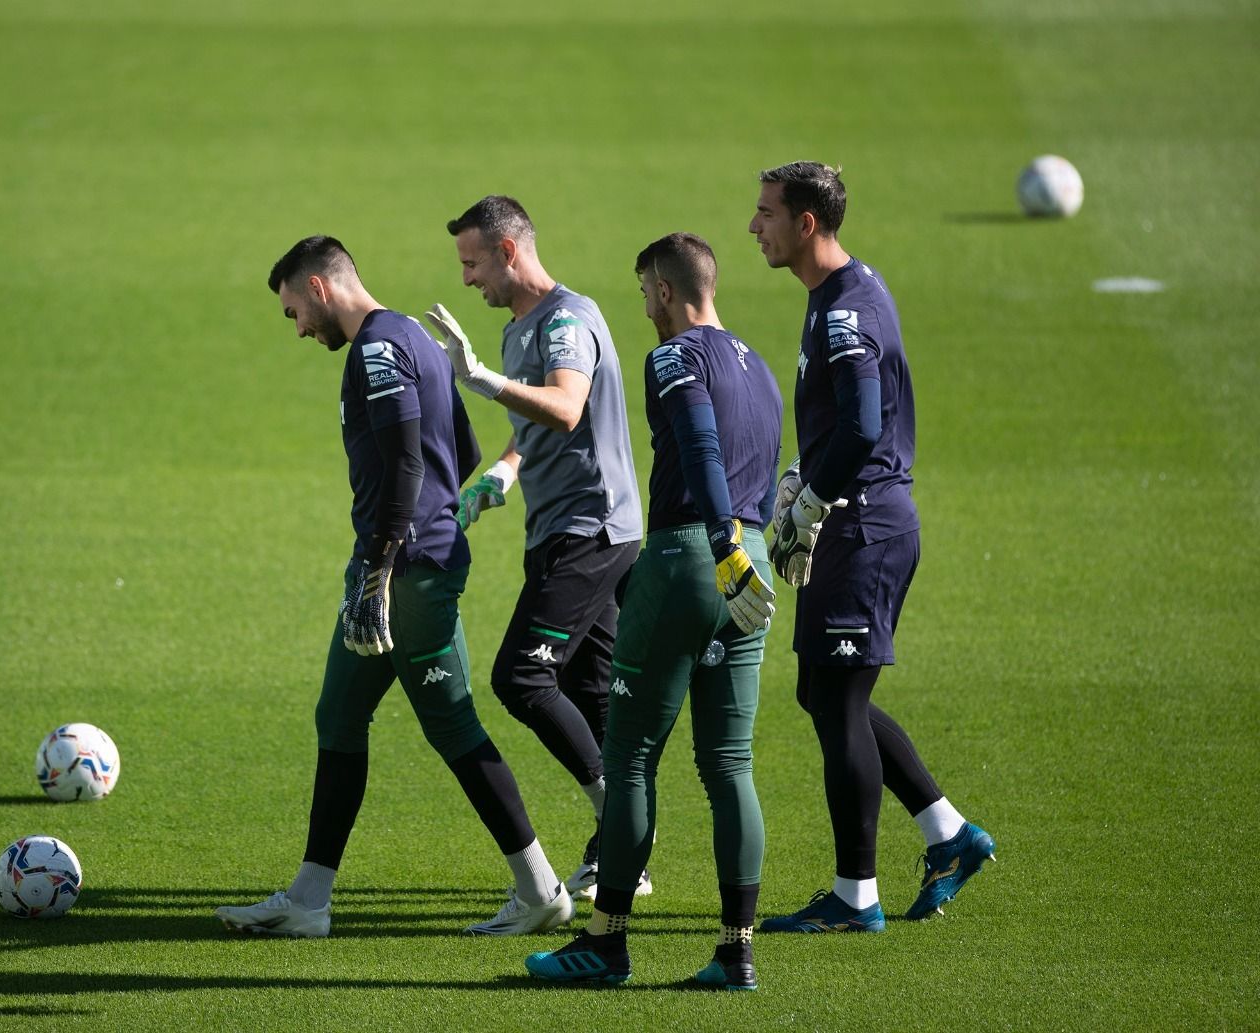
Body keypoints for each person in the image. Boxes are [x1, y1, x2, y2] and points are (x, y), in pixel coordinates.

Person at [215, 236, 573, 938]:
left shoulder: (377, 349)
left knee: (452, 724)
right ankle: (310, 899)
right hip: (395, 567)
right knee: (339, 717)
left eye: (294, 312)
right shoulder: (413, 335)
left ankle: (541, 889)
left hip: (407, 574)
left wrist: (378, 571)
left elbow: (409, 463)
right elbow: (463, 451)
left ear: (320, 288)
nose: (297, 329)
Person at [524, 233, 780, 989]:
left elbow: (701, 447)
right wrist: (743, 548)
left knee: (631, 754)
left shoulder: (673, 357)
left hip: (690, 556)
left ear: (665, 289)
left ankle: (605, 945)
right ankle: (737, 952)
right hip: (752, 563)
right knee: (730, 763)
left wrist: (716, 539)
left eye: (643, 293)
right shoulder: (759, 365)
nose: (642, 308)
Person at [747, 162, 996, 933]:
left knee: (841, 699)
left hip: (861, 527)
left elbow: (861, 424)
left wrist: (815, 498)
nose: (755, 226)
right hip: (858, 517)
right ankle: (949, 833)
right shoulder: (837, 295)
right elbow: (841, 423)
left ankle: (857, 895)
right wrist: (801, 473)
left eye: (766, 214)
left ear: (807, 223)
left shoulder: (848, 311)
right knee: (824, 694)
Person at [424, 196, 644, 901]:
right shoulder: (526, 325)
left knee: (521, 676)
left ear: (508, 252)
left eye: (472, 261)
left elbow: (568, 403)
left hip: (592, 530)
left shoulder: (565, 322)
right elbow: (543, 415)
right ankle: (624, 857)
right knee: (588, 689)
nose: (466, 279)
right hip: (566, 527)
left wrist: (482, 379)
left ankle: (619, 824)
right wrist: (507, 469)